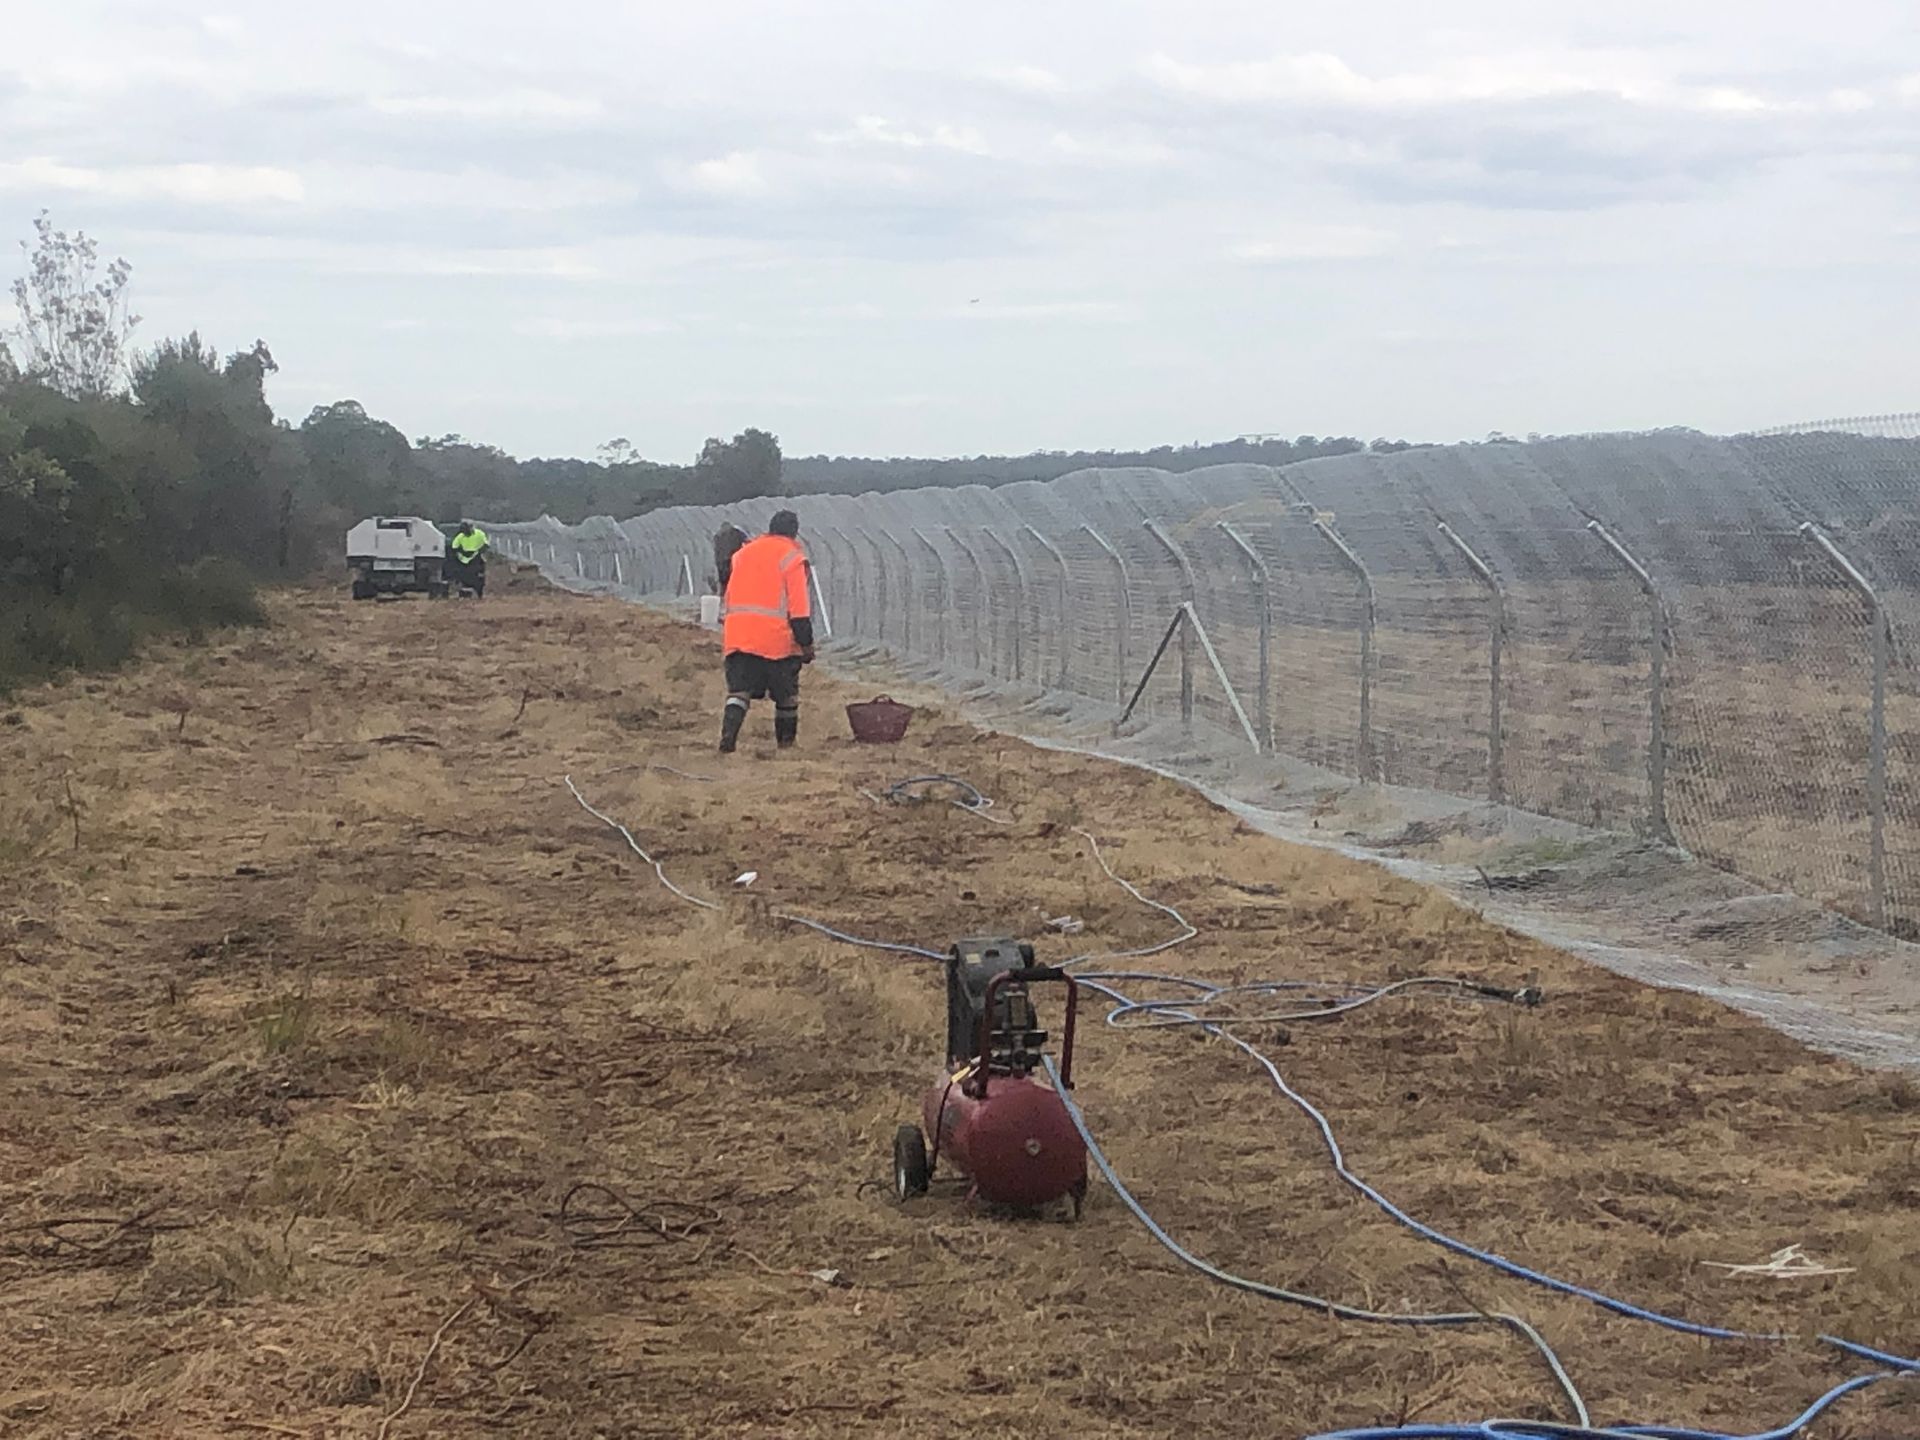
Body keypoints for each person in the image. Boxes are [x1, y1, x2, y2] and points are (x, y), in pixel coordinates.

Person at [718, 510, 813, 753]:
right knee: (786, 697)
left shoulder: (742, 554)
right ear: (794, 532)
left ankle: (727, 741)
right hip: (776, 642)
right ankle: (786, 747)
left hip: (738, 636)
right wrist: (806, 645)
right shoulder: (792, 558)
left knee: (739, 693)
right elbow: (799, 611)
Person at [446, 521, 490, 597]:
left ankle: (480, 592)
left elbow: (486, 545)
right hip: (464, 559)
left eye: (467, 530)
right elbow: (454, 547)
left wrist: (478, 551)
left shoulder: (479, 534)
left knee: (479, 575)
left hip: (477, 557)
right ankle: (463, 591)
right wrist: (462, 552)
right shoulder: (461, 536)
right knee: (462, 574)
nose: (465, 533)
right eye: (464, 531)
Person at [712, 522, 748, 594]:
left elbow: (716, 550)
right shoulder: (737, 532)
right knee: (734, 581)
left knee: (724, 583)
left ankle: (723, 597)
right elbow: (747, 541)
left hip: (721, 563)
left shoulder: (717, 535)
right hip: (733, 560)